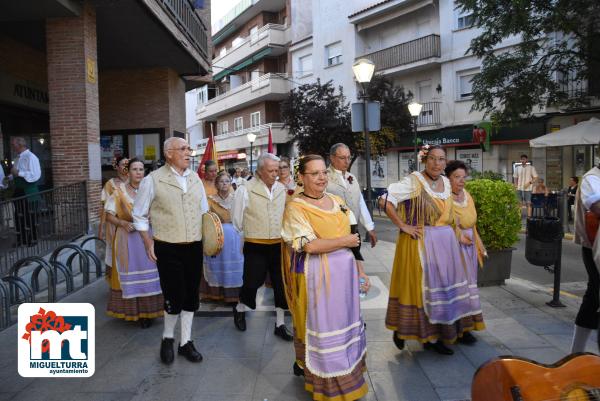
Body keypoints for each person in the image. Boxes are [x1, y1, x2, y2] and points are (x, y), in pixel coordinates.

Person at [379, 145, 482, 355]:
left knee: (443, 291)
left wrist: (459, 234)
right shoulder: (413, 181)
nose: (437, 163)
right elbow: (385, 200)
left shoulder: (445, 182)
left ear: (445, 162)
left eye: (441, 159)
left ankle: (439, 334)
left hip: (446, 245)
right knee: (420, 291)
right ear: (425, 160)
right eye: (433, 159)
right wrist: (403, 225)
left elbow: (451, 215)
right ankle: (419, 336)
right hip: (421, 244)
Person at [282, 154, 369, 401]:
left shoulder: (338, 201)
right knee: (323, 326)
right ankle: (326, 380)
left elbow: (356, 242)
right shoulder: (295, 207)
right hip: (317, 277)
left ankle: (348, 372)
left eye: (323, 173)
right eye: (315, 173)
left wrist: (361, 272)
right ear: (301, 177)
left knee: (344, 324)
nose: (321, 178)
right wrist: (345, 241)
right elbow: (309, 246)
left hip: (345, 277)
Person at [133, 137, 208, 364]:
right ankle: (167, 338)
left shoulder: (195, 178)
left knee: (191, 295)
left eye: (189, 148)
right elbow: (139, 215)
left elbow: (204, 211)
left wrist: (212, 241)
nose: (188, 152)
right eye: (183, 149)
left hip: (194, 245)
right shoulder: (152, 180)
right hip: (167, 246)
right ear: (168, 153)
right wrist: (148, 242)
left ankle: (185, 342)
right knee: (174, 295)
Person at [231, 153, 292, 341]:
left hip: (278, 244)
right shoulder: (245, 189)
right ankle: (240, 308)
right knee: (251, 283)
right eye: (271, 170)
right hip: (255, 244)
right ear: (259, 171)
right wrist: (249, 233)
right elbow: (236, 218)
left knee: (281, 284)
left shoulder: (282, 189)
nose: (276, 173)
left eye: (277, 169)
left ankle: (280, 324)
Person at [104, 158, 163, 328]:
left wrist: (154, 217)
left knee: (151, 271)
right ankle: (134, 312)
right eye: (135, 169)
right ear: (127, 172)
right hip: (127, 238)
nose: (138, 172)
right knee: (131, 272)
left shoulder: (151, 191)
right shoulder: (118, 192)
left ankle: (149, 312)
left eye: (141, 169)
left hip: (147, 236)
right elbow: (109, 215)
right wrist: (122, 223)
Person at [445, 160, 487, 344]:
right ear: (448, 178)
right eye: (457, 177)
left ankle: (467, 327)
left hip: (469, 248)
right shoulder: (445, 198)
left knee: (469, 287)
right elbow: (442, 223)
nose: (461, 181)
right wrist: (458, 235)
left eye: (464, 177)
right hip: (453, 248)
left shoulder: (467, 195)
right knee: (456, 288)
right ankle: (455, 329)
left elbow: (473, 224)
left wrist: (479, 243)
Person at [199, 171, 244, 303]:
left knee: (234, 265)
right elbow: (206, 219)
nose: (224, 184)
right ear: (216, 184)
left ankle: (234, 295)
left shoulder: (236, 198)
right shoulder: (210, 200)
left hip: (235, 238)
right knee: (216, 264)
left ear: (230, 183)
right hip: (216, 238)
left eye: (227, 181)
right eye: (221, 181)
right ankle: (216, 294)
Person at [571, 165, 600, 353]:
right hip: (594, 249)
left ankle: (575, 354)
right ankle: (576, 355)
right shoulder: (592, 178)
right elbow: (597, 206)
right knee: (595, 296)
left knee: (592, 299)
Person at [326, 143, 377, 248]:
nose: (347, 161)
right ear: (332, 158)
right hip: (335, 235)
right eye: (342, 158)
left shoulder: (352, 177)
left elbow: (360, 203)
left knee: (355, 261)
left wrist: (370, 228)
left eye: (349, 157)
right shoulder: (324, 178)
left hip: (354, 232)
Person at [9, 137, 42, 246]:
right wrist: (9, 178)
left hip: (29, 191)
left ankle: (33, 239)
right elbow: (16, 173)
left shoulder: (31, 157)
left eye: (13, 145)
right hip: (19, 190)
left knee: (30, 216)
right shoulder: (18, 158)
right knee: (19, 216)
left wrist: (18, 173)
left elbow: (35, 175)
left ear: (20, 145)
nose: (12, 147)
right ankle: (21, 239)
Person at [100, 156, 129, 270]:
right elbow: (104, 207)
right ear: (117, 167)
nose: (126, 167)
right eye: (123, 164)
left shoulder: (136, 181)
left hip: (131, 222)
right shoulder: (110, 184)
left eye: (128, 164)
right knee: (115, 251)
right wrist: (101, 228)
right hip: (114, 222)